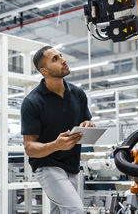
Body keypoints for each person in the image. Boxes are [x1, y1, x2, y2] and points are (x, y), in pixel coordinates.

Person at [21, 45, 94, 214]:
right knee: (75, 210)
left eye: (61, 56)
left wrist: (88, 126)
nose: (63, 60)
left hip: (72, 164)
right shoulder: (32, 102)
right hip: (47, 165)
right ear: (44, 70)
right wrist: (55, 145)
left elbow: (86, 121)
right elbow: (30, 148)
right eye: (55, 59)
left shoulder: (78, 94)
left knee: (60, 211)